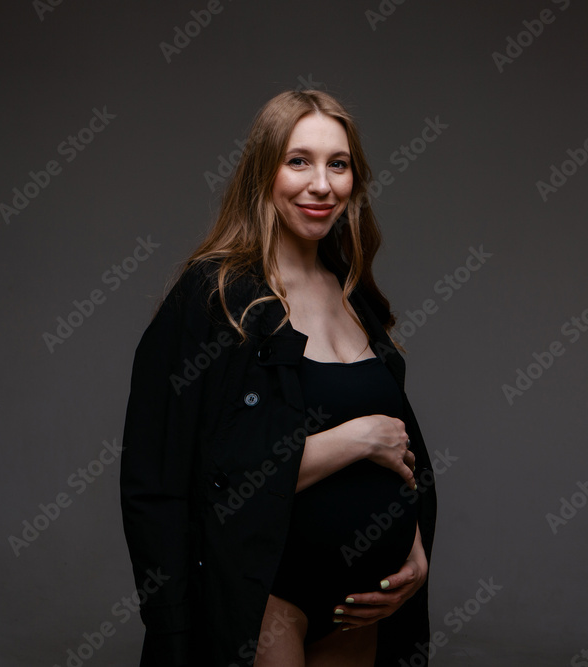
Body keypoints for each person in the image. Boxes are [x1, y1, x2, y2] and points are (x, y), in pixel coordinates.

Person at [120, 89, 438, 667]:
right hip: (265, 592)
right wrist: (355, 440)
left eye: (337, 164)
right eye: (298, 161)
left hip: (360, 601)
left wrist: (413, 548)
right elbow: (195, 480)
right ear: (262, 173)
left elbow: (402, 450)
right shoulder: (215, 297)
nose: (321, 185)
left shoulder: (353, 294)